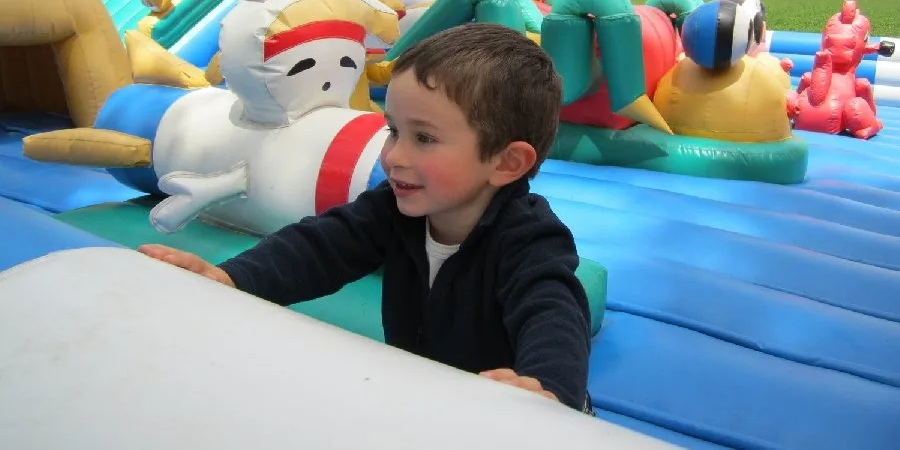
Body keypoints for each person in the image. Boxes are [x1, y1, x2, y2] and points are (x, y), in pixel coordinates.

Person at [139, 22, 593, 413]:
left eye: (424, 138)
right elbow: (318, 248)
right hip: (427, 393)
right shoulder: (393, 209)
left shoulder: (530, 238)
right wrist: (230, 279)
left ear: (507, 163)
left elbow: (552, 312)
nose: (393, 156)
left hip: (511, 410)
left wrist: (548, 390)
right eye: (393, 130)